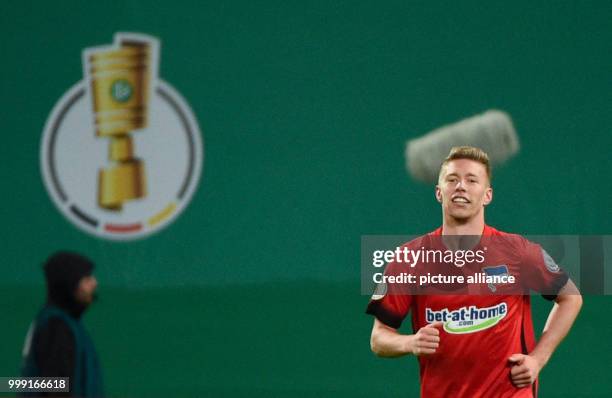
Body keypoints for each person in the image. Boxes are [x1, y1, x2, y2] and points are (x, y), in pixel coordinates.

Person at [366, 146, 582, 397]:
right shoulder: (409, 258)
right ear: (439, 192)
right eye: (452, 179)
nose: (461, 187)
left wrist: (537, 359)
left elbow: (570, 297)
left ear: (487, 195)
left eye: (471, 180)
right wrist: (410, 342)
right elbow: (378, 338)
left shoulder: (517, 251)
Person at [20, 251, 104, 397]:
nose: (94, 283)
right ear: (70, 285)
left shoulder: (65, 324)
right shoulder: (56, 326)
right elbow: (55, 386)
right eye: (87, 278)